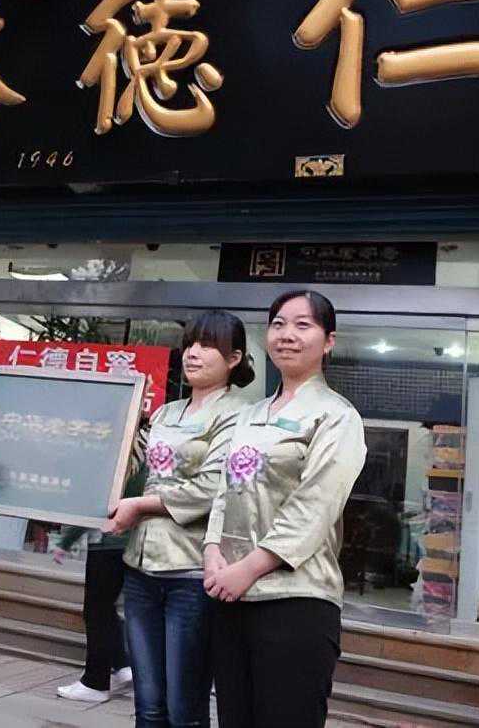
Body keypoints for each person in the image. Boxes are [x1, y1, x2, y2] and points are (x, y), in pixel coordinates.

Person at [203, 290, 366, 728]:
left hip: (297, 601)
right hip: (232, 595)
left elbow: (315, 507)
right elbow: (225, 490)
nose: (287, 334)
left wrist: (249, 568)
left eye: (302, 325)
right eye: (278, 324)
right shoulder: (249, 414)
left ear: (329, 341)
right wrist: (212, 549)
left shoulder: (337, 416)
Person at [105, 310, 253, 728]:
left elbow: (213, 487)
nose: (192, 353)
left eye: (207, 345)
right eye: (189, 344)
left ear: (234, 358)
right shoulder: (167, 412)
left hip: (191, 574)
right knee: (148, 705)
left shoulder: (240, 415)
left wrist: (140, 506)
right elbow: (135, 471)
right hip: (140, 569)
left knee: (183, 708)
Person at [51, 431, 147, 704]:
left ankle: (95, 682)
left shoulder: (113, 448)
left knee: (96, 609)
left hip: (108, 539)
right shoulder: (143, 443)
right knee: (106, 608)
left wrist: (66, 540)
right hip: (132, 539)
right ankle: (123, 664)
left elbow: (95, 499)